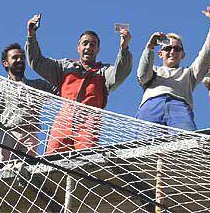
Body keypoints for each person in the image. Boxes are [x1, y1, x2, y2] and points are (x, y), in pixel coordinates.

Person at [25, 14, 133, 153]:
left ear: (98, 50)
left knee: (84, 161)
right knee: (51, 160)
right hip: (63, 120)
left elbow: (120, 74)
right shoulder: (64, 67)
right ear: (78, 48)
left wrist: (124, 49)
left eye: (93, 44)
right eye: (85, 43)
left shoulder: (103, 72)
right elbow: (37, 62)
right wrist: (31, 36)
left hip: (89, 121)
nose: (89, 47)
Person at [136, 6, 210, 131]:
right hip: (151, 107)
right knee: (143, 146)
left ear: (183, 55)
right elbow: (142, 75)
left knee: (186, 142)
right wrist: (149, 48)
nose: (172, 52)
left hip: (179, 107)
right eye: (167, 48)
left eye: (177, 49)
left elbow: (207, 53)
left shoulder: (189, 74)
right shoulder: (153, 71)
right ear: (160, 53)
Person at [0, 43, 58, 163]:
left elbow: (58, 91)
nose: (19, 60)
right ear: (5, 63)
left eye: (22, 57)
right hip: (6, 133)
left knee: (27, 172)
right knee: (1, 171)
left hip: (29, 134)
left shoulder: (36, 86)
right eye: (15, 57)